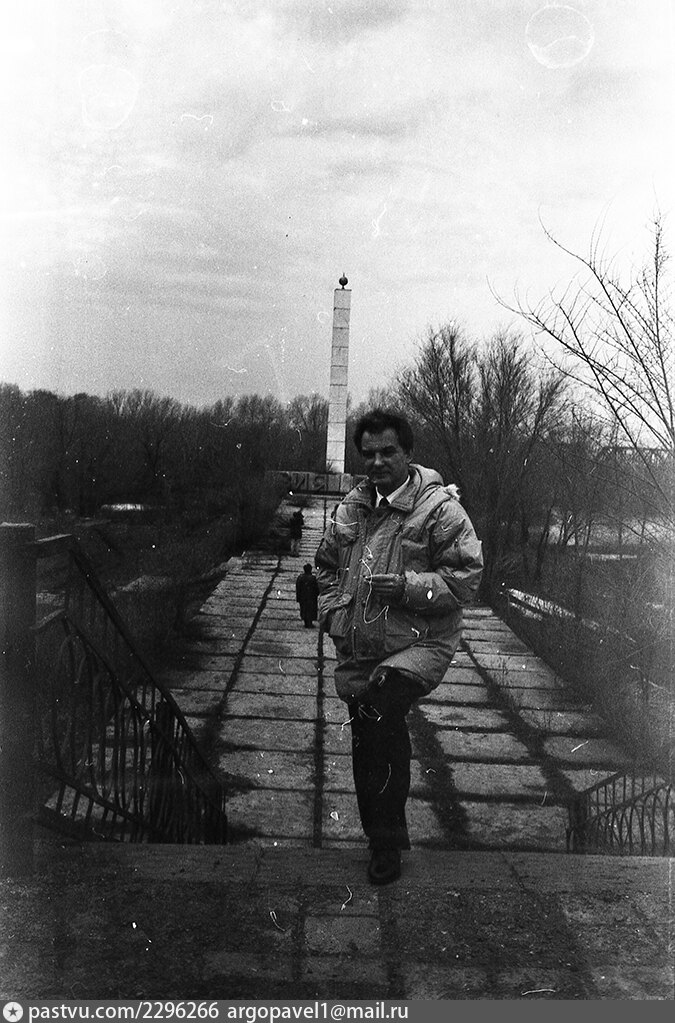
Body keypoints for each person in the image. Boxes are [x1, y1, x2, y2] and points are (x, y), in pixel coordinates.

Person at [315, 408, 483, 885]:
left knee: (380, 710)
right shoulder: (351, 508)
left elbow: (466, 578)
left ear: (408, 453)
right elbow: (324, 566)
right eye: (368, 454)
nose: (377, 462)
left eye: (387, 452)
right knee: (366, 737)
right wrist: (332, 614)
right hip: (363, 644)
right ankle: (380, 836)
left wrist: (410, 588)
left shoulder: (439, 509)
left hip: (422, 642)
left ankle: (387, 844)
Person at [295, 563, 319, 628]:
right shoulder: (313, 578)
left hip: (303, 598)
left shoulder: (300, 577)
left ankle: (306, 623)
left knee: (304, 610)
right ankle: (309, 623)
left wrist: (298, 597)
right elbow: (316, 588)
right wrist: (317, 594)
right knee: (311, 610)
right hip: (311, 598)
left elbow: (298, 588)